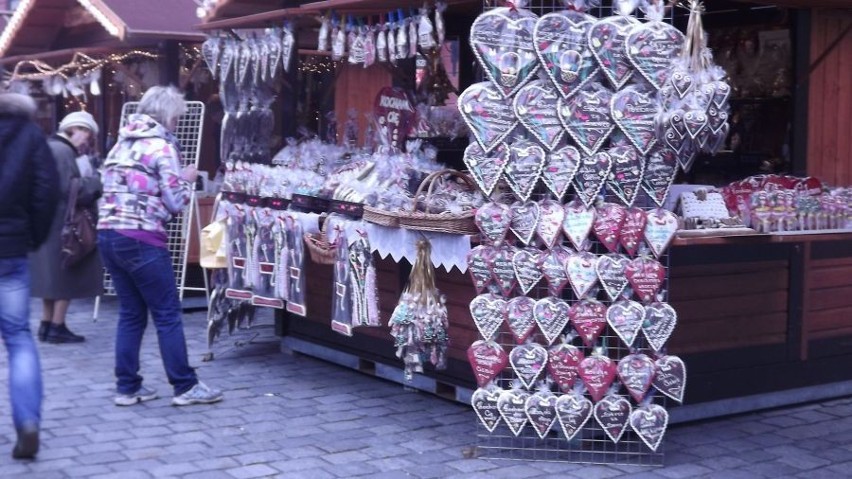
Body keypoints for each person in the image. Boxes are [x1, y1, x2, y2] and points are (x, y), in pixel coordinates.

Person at [97, 86, 223, 407]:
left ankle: (127, 386)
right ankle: (185, 385)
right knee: (167, 314)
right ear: (167, 114)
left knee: (130, 314)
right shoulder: (162, 147)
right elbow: (176, 201)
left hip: (109, 234)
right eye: (178, 116)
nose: (179, 122)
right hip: (142, 238)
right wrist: (186, 177)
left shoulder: (119, 145)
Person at [0, 90, 60, 459]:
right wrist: (31, 237)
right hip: (10, 250)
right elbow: (46, 191)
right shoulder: (29, 133)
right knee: (19, 337)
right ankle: (27, 423)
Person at [30, 111, 104, 344]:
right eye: (87, 135)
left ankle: (47, 324)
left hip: (48, 222)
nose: (87, 141)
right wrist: (97, 180)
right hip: (63, 223)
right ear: (77, 130)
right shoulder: (62, 151)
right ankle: (57, 325)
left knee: (51, 276)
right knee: (67, 274)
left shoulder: (50, 147)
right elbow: (70, 188)